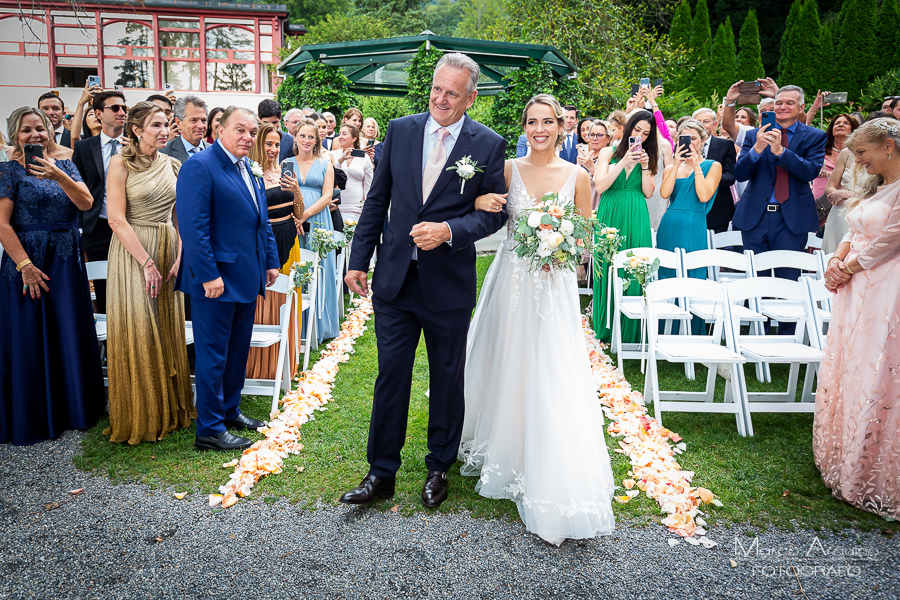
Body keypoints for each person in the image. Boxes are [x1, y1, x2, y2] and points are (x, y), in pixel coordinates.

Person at [340, 52, 507, 509]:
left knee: (447, 378)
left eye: (453, 93)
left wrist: (449, 231)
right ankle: (380, 472)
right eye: (437, 89)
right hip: (395, 280)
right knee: (391, 374)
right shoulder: (401, 130)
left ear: (471, 97)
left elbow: (493, 216)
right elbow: (377, 200)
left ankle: (439, 467)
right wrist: (358, 260)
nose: (441, 99)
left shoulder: (489, 144)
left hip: (448, 285)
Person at [460, 93, 615, 545]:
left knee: (550, 363)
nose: (540, 129)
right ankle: (500, 442)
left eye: (548, 121)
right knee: (505, 355)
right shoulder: (508, 170)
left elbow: (587, 234)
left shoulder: (579, 176)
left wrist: (562, 246)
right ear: (524, 126)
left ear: (561, 127)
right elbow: (486, 213)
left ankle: (546, 454)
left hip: (554, 285)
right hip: (510, 280)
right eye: (532, 122)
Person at [175, 106, 281, 452]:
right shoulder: (199, 166)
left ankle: (229, 409)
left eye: (252, 132)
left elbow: (260, 220)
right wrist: (208, 275)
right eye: (240, 130)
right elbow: (193, 228)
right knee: (213, 354)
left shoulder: (247, 167)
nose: (248, 137)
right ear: (219, 129)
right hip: (216, 280)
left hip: (247, 276)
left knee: (237, 351)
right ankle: (208, 428)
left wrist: (270, 261)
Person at [0, 106, 103, 445]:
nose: (35, 136)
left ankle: (73, 410)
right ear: (16, 135)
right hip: (29, 262)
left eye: (40, 129)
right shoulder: (8, 171)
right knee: (31, 336)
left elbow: (86, 204)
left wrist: (58, 175)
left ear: (49, 131)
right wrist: (25, 266)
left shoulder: (68, 164)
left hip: (67, 260)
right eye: (27, 130)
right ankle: (34, 414)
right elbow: (2, 224)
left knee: (67, 331)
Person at [814, 117, 900, 521]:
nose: (858, 159)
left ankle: (871, 467)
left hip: (885, 286)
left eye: (863, 152)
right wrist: (836, 259)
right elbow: (854, 225)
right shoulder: (874, 185)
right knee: (850, 364)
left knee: (876, 367)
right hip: (853, 285)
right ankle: (843, 453)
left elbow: (888, 240)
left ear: (888, 146)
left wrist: (847, 267)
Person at [104, 101, 195, 444]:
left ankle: (172, 409)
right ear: (137, 131)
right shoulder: (119, 164)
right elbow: (115, 219)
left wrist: (180, 257)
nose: (164, 131)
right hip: (133, 251)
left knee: (166, 328)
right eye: (155, 125)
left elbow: (181, 216)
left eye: (166, 124)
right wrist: (146, 263)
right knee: (140, 328)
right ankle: (143, 414)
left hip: (168, 247)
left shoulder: (174, 164)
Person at [733, 85, 827, 317]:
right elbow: (740, 174)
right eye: (779, 102)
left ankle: (787, 331)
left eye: (789, 103)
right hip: (756, 216)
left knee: (788, 278)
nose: (782, 107)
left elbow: (809, 172)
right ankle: (756, 330)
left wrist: (780, 151)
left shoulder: (815, 136)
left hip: (791, 219)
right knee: (756, 279)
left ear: (801, 107)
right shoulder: (754, 134)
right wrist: (757, 148)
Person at [591, 110, 657, 344]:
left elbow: (648, 192)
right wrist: (624, 163)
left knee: (633, 266)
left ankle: (632, 331)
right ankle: (606, 327)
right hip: (611, 212)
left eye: (646, 133)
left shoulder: (648, 156)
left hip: (636, 213)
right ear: (629, 128)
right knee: (608, 265)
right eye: (637, 129)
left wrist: (647, 167)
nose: (640, 135)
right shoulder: (609, 151)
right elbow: (600, 186)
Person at [245, 123, 305, 381]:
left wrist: (296, 190)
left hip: (291, 242)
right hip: (264, 245)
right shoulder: (250, 173)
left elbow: (299, 215)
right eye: (268, 143)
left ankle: (286, 361)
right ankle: (261, 366)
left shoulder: (285, 172)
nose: (273, 149)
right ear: (259, 144)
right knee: (265, 302)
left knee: (287, 301)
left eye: (277, 144)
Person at [72, 90, 128, 315]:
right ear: (98, 114)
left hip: (132, 226)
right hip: (99, 229)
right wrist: (82, 226)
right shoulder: (85, 147)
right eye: (115, 108)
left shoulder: (137, 145)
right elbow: (78, 189)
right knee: (105, 293)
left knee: (134, 289)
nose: (121, 112)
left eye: (124, 108)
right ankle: (111, 347)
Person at [283, 118, 338, 345]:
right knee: (295, 266)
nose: (306, 140)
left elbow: (327, 196)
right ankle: (296, 325)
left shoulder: (326, 164)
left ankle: (320, 325)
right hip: (291, 219)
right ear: (295, 138)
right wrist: (295, 216)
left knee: (318, 267)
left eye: (311, 137)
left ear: (317, 140)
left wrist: (304, 215)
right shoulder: (285, 163)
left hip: (317, 219)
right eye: (302, 136)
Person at [656, 119, 722, 285]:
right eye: (684, 138)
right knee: (668, 271)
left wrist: (696, 167)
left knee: (693, 270)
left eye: (693, 138)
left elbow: (704, 196)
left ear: (703, 140)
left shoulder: (713, 166)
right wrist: (676, 165)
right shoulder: (672, 168)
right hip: (670, 224)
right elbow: (664, 194)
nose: (689, 142)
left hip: (694, 223)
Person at [692, 107, 737, 234]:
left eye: (706, 121)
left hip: (718, 209)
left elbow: (730, 176)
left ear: (715, 124)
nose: (701, 125)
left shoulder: (726, 146)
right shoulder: (683, 146)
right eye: (698, 121)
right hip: (690, 206)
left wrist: (705, 179)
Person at [331, 123, 373, 222]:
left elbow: (368, 184)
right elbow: (329, 175)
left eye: (344, 134)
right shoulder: (332, 155)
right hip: (336, 205)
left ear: (354, 138)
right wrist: (340, 160)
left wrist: (367, 206)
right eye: (339, 133)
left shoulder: (364, 157)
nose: (340, 136)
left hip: (356, 207)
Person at [812, 114, 858, 203]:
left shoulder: (857, 154)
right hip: (820, 202)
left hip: (845, 201)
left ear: (853, 129)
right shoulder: (819, 150)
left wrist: (829, 173)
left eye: (846, 123)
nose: (841, 125)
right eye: (837, 123)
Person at [161, 95, 208, 162]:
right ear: (178, 123)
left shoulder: (216, 152)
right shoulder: (163, 154)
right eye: (193, 120)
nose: (201, 126)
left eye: (203, 120)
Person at [70, 80, 102, 145]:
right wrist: (81, 103)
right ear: (85, 121)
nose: (96, 116)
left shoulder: (115, 141)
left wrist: (104, 99)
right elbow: (74, 137)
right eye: (91, 114)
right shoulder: (83, 145)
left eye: (99, 113)